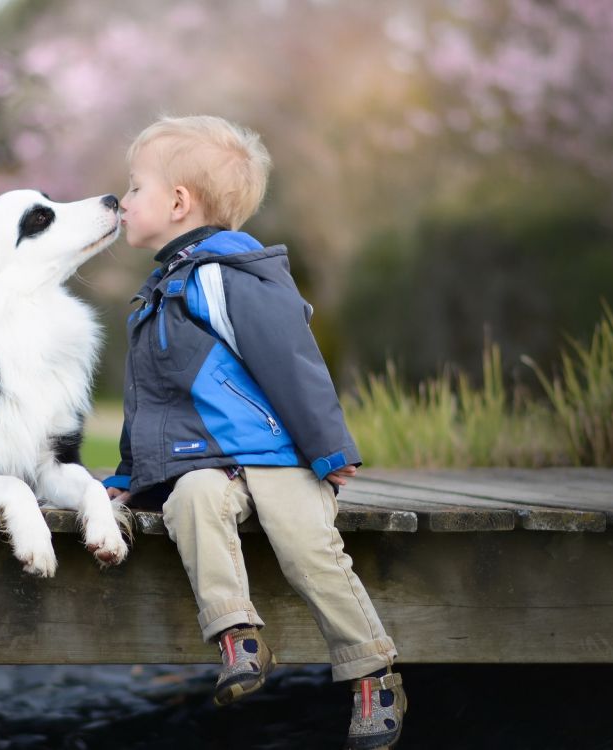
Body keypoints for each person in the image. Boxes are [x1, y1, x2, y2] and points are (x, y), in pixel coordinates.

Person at [103, 115, 406, 749]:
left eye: (134, 188)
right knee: (191, 501)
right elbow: (151, 403)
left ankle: (371, 672)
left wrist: (329, 450)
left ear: (179, 202)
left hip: (278, 457)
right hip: (205, 463)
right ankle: (237, 636)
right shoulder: (159, 290)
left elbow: (292, 363)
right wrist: (130, 478)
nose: (122, 201)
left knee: (308, 549)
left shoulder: (226, 278)